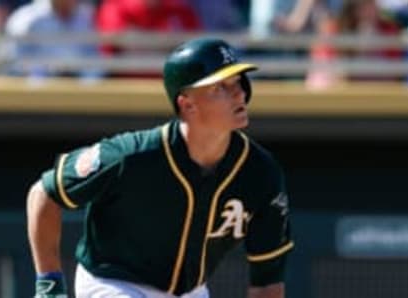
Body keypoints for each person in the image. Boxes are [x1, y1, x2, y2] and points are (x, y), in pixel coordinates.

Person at [27, 37, 293, 298]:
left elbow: (267, 282)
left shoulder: (261, 173)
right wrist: (49, 284)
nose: (239, 92)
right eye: (220, 87)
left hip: (190, 291)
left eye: (239, 82)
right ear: (187, 104)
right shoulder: (130, 156)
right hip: (113, 282)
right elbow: (44, 193)